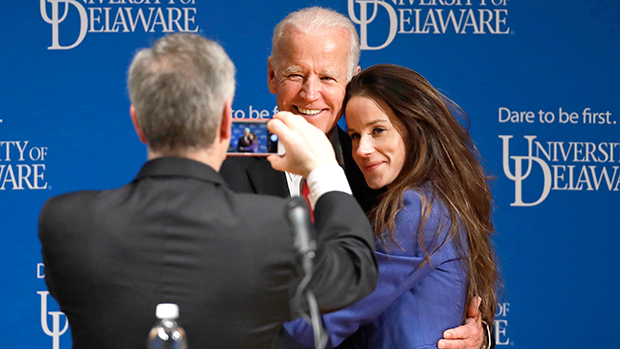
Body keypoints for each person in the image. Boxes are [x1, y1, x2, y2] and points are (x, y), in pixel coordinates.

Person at [38, 33, 379, 349]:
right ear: (226, 122)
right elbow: (353, 270)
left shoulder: (64, 220)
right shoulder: (276, 227)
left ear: (137, 122)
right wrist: (324, 171)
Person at [219, 7, 491, 349]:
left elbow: (450, 293)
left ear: (351, 81)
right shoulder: (220, 161)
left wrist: (479, 337)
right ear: (272, 75)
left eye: (328, 78)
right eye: (295, 75)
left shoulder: (381, 174)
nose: (310, 93)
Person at [284, 64, 500, 348]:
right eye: (355, 136)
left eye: (378, 130)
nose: (362, 149)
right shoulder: (428, 198)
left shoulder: (417, 208)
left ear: (415, 128)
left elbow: (332, 316)